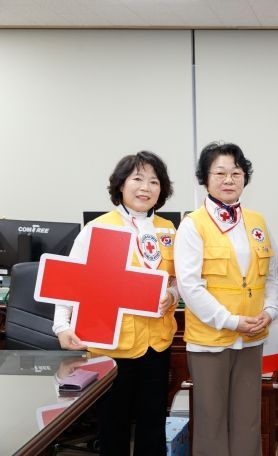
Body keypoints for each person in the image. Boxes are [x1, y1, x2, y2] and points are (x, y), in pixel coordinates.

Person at [53, 151, 178, 456]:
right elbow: (71, 279)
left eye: (154, 181)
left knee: (152, 424)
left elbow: (179, 280)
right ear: (121, 185)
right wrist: (61, 325)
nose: (145, 187)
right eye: (138, 179)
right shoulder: (98, 228)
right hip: (110, 346)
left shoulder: (169, 230)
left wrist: (173, 295)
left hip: (156, 344)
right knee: (113, 426)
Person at [174, 142, 278, 456]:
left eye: (236, 173)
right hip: (210, 339)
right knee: (211, 421)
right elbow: (190, 286)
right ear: (205, 179)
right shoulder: (193, 225)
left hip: (252, 336)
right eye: (219, 173)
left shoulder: (257, 221)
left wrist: (271, 310)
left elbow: (271, 275)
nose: (229, 180)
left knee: (248, 420)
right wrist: (230, 321)